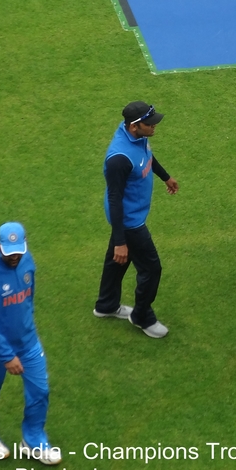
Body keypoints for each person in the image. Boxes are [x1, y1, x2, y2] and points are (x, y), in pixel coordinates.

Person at [0, 222, 60, 465]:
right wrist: (6, 355)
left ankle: (33, 441)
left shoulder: (27, 261)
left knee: (40, 390)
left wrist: (26, 329)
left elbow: (28, 298)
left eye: (18, 251)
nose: (15, 257)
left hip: (28, 342)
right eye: (9, 253)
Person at [94, 101, 179, 338]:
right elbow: (114, 199)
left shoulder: (137, 137)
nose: (154, 127)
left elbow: (147, 155)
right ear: (134, 126)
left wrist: (165, 177)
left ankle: (106, 305)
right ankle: (142, 316)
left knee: (116, 262)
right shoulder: (118, 159)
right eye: (149, 124)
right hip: (130, 221)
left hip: (132, 216)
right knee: (152, 268)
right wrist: (121, 240)